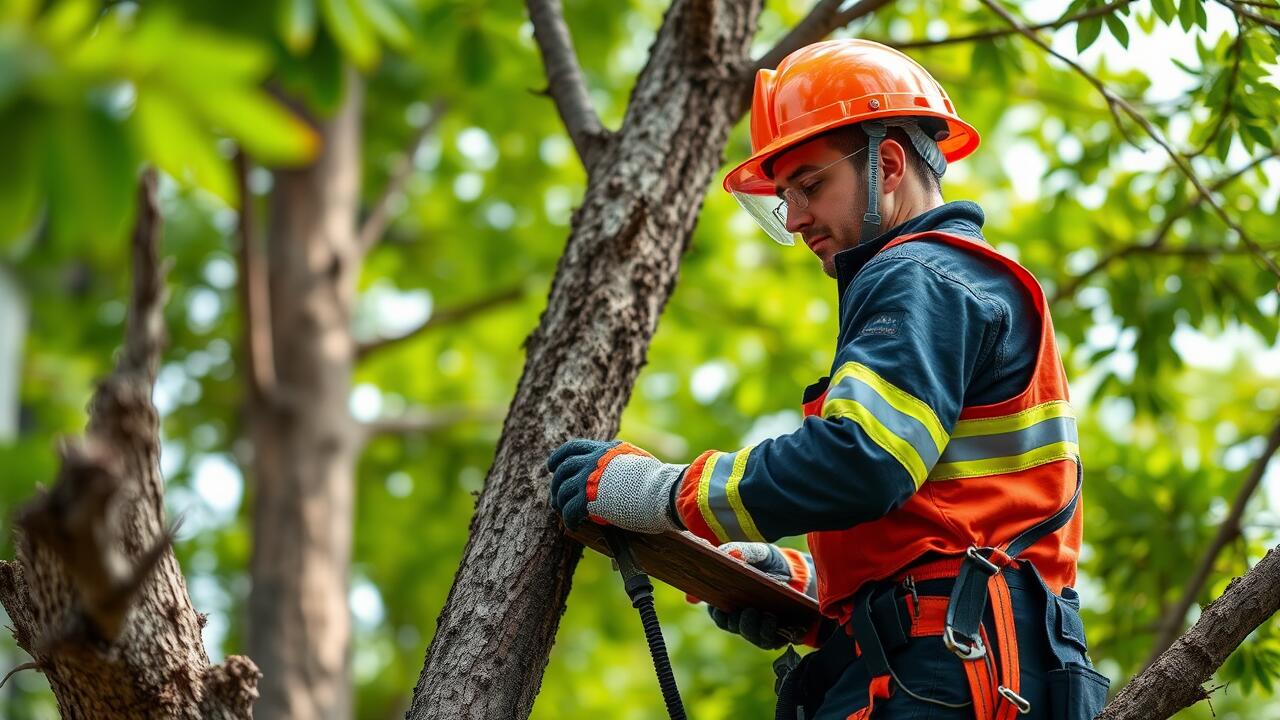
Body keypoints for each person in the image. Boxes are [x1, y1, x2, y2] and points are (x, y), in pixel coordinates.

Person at [546, 39, 1110, 719]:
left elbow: (862, 463)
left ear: (890, 164)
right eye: (784, 199)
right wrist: (812, 593)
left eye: (810, 185)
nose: (797, 217)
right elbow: (952, 524)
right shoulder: (945, 282)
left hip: (948, 669)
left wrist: (667, 493)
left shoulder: (919, 276)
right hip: (962, 662)